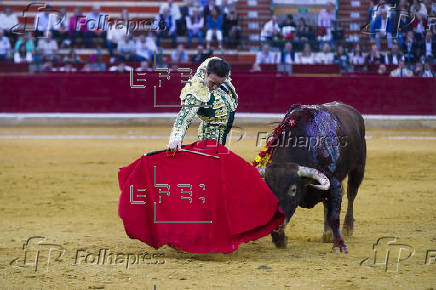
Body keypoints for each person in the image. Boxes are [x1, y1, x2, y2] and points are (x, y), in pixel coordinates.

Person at [168, 57, 238, 150]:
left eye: (219, 84)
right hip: (211, 131)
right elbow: (184, 117)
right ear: (205, 73)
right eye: (212, 83)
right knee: (210, 158)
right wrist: (176, 138)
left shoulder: (213, 64)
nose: (214, 87)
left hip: (225, 124)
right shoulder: (196, 89)